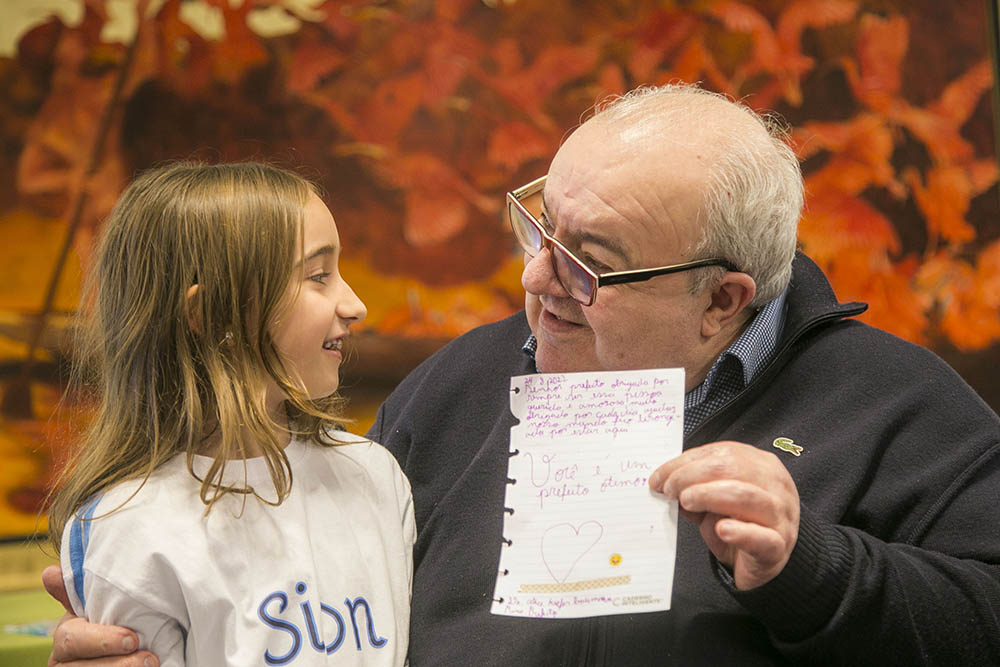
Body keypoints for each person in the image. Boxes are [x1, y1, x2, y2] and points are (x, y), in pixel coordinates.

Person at [45, 84, 1000, 665]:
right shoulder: (453, 387)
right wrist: (152, 642)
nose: (535, 280)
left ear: (723, 299)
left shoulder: (895, 407)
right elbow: (318, 615)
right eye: (540, 225)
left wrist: (816, 569)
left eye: (589, 261)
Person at [44, 162, 415, 666]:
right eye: (318, 276)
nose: (355, 305)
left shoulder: (373, 475)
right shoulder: (134, 527)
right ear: (211, 313)